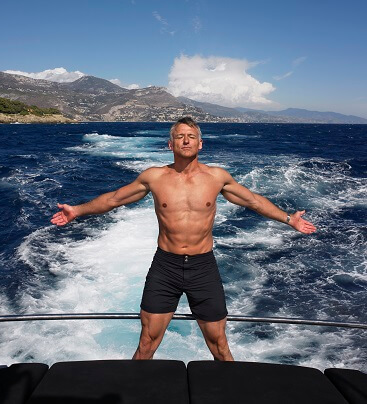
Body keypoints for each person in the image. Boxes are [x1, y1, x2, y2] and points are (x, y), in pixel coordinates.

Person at [51, 117, 317, 361]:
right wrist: (77, 211)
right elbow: (113, 199)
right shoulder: (154, 177)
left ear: (201, 143)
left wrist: (288, 219)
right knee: (147, 343)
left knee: (220, 344)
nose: (186, 140)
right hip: (165, 266)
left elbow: (254, 201)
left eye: (191, 136)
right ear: (170, 144)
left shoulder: (217, 177)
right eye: (180, 136)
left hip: (203, 267)